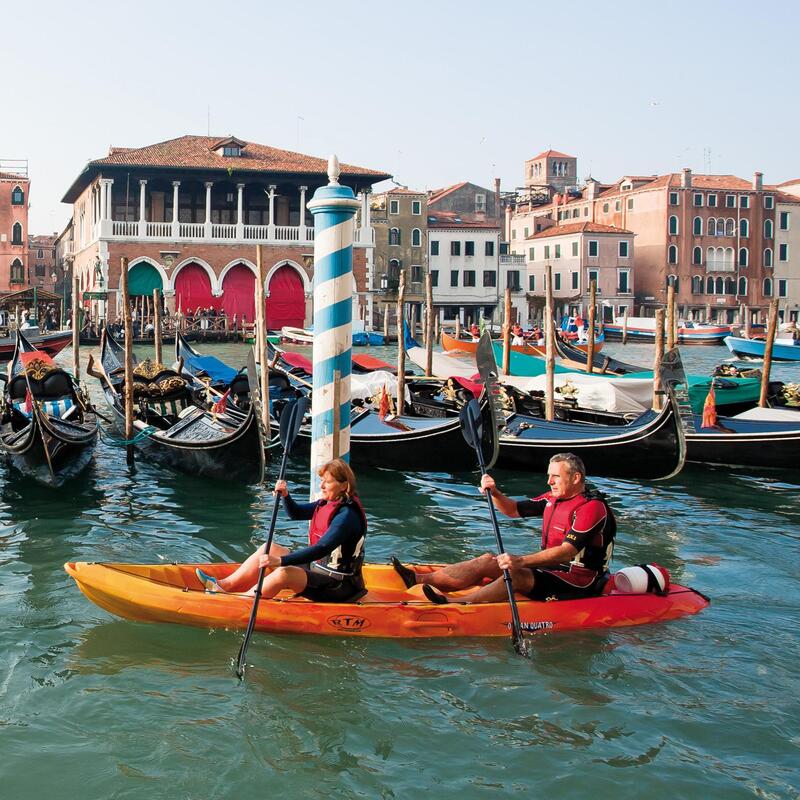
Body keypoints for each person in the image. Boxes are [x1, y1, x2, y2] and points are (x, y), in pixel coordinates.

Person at [391, 452, 616, 604]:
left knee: (515, 574)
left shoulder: (591, 507)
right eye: (549, 476)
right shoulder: (553, 499)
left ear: (576, 478)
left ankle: (455, 603)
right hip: (551, 570)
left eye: (556, 476)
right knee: (488, 559)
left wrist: (520, 561)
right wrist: (495, 492)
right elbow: (512, 510)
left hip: (580, 581)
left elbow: (567, 551)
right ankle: (419, 581)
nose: (549, 481)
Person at [196, 459, 367, 602]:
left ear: (344, 485)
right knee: (268, 548)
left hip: (339, 585)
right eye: (321, 480)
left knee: (283, 573)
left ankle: (241, 602)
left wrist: (280, 561)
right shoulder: (329, 504)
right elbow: (296, 513)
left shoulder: (347, 516)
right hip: (317, 569)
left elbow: (321, 549)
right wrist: (285, 495)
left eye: (327, 482)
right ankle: (223, 586)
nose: (321, 486)